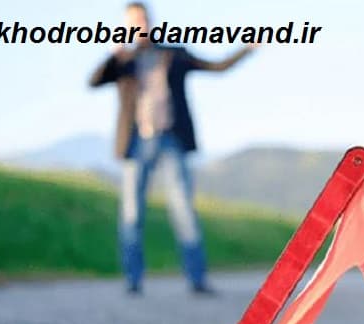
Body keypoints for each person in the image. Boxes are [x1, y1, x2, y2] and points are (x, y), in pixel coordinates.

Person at [89, 2, 256, 294]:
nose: (138, 25)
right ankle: (133, 280)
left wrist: (247, 49)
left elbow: (216, 67)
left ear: (150, 21)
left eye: (141, 20)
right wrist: (114, 54)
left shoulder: (173, 53)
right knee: (132, 213)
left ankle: (197, 279)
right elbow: (94, 81)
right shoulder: (124, 60)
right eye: (131, 22)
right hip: (136, 141)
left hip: (171, 140)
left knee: (183, 210)